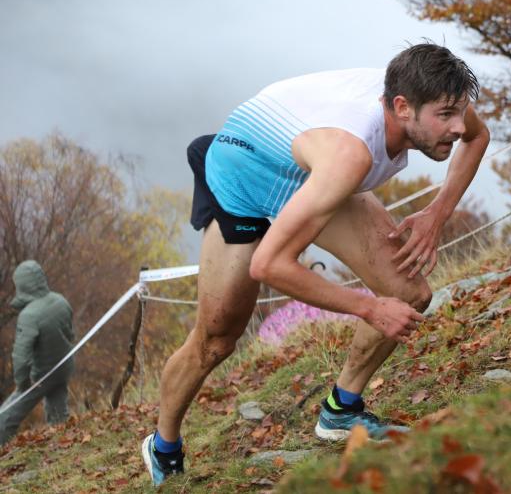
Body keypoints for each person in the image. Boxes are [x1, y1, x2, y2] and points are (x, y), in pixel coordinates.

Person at [141, 43, 489, 486]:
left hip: (310, 171)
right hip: (241, 176)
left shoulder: (435, 97)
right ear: (402, 107)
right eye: (446, 116)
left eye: (460, 112)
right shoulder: (351, 153)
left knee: (408, 291)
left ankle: (342, 411)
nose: (458, 126)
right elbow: (269, 266)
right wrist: (368, 307)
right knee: (216, 339)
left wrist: (436, 215)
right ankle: (163, 445)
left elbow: (478, 137)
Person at [0, 260, 75, 446]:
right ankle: (64, 447)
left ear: (22, 285)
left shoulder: (29, 315)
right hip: (63, 367)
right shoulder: (60, 301)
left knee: (5, 418)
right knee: (58, 413)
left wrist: (22, 384)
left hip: (41, 376)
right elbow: (70, 334)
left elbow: (21, 356)